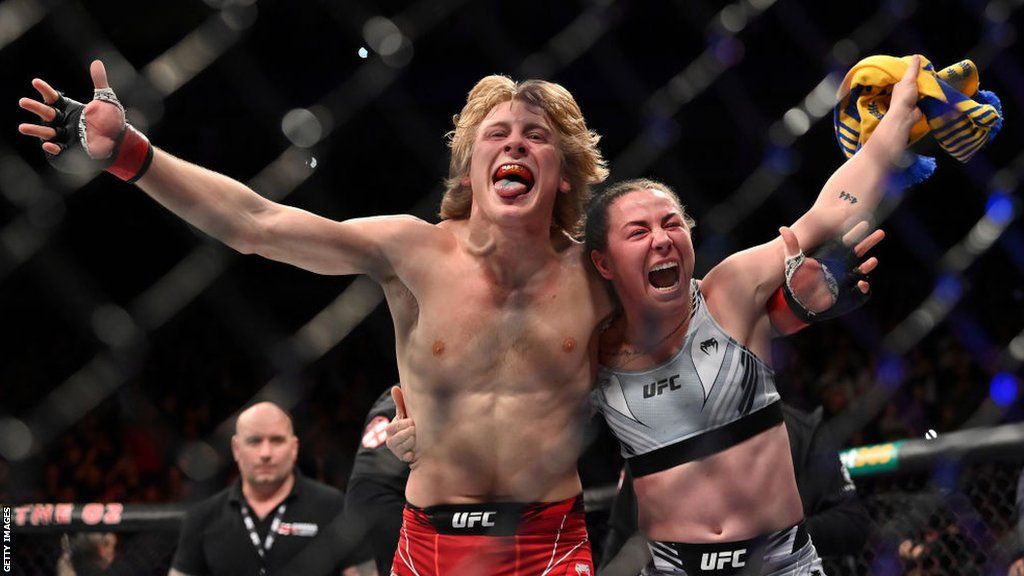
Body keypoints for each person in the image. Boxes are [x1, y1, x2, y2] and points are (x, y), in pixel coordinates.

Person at [20, 62, 613, 575]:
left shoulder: (598, 277)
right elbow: (257, 225)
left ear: (564, 172)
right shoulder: (412, 252)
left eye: (535, 136)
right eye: (497, 134)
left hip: (551, 545)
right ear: (466, 170)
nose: (514, 146)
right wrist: (132, 153)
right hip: (434, 542)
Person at [598, 403, 872, 575]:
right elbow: (621, 540)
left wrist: (768, 542)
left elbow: (852, 523)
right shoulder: (651, 446)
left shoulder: (798, 430)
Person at [168, 401, 356, 576]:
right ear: (236, 448)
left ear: (294, 447)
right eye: (254, 441)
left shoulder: (332, 507)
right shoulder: (203, 517)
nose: (265, 453)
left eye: (276, 440)